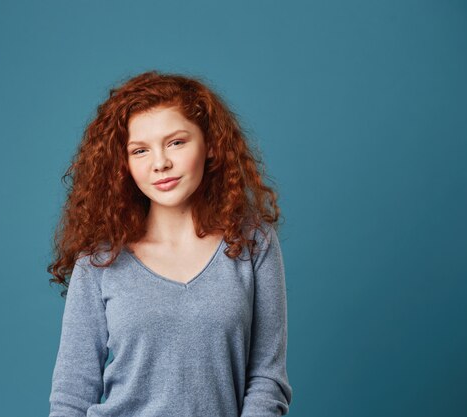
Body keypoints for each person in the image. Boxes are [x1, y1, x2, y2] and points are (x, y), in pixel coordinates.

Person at [46, 70, 293, 417]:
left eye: (176, 142)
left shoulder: (252, 243)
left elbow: (267, 378)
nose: (161, 163)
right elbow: (72, 393)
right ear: (124, 165)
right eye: (140, 150)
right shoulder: (99, 261)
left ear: (209, 145)